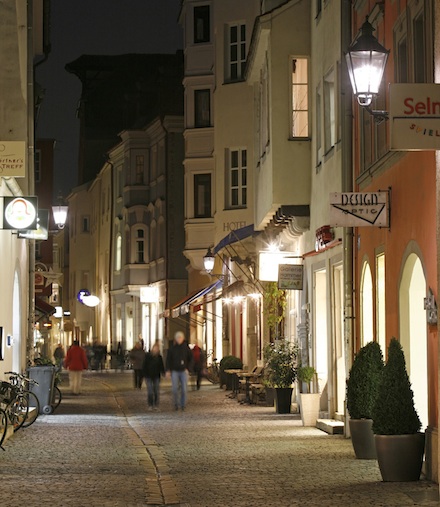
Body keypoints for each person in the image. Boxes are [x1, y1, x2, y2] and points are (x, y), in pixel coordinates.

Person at [166, 331, 193, 411]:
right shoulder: (172, 349)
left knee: (184, 389)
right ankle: (176, 404)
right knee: (175, 389)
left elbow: (191, 359)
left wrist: (188, 368)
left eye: (180, 337)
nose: (179, 339)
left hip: (183, 371)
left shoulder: (186, 348)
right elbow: (168, 360)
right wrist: (168, 370)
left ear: (183, 338)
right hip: (175, 371)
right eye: (177, 338)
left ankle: (183, 404)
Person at [143, 343, 165, 410]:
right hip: (148, 376)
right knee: (150, 391)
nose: (155, 350)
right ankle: (150, 404)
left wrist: (163, 373)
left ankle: (156, 405)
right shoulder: (148, 356)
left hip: (156, 376)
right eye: (154, 348)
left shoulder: (159, 357)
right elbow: (144, 365)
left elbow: (161, 366)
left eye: (157, 349)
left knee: (156, 391)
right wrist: (144, 374)